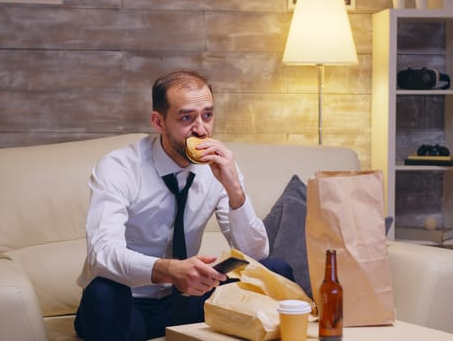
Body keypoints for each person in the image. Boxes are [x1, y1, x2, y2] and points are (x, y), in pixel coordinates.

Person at [74, 69, 292, 341]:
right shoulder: (119, 167)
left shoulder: (219, 167)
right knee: (104, 292)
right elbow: (102, 254)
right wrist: (169, 270)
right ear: (159, 121)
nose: (201, 129)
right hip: (129, 303)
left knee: (275, 269)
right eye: (187, 118)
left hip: (187, 301)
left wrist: (235, 189)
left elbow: (256, 255)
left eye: (208, 115)